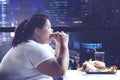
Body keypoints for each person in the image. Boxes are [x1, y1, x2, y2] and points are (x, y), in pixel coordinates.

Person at [0, 14, 69, 80]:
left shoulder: (39, 45)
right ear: (38, 31)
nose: (52, 30)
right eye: (49, 27)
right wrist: (64, 44)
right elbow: (59, 71)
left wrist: (59, 43)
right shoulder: (31, 47)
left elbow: (56, 60)